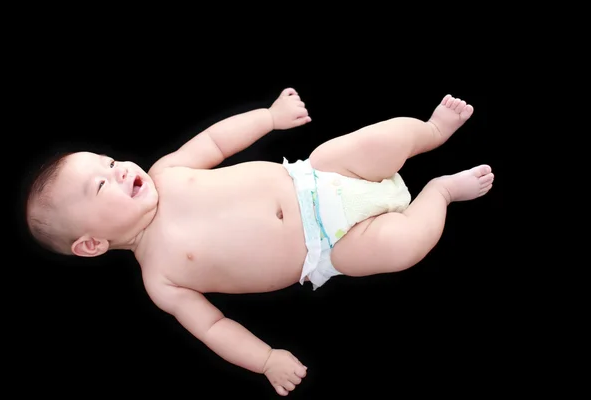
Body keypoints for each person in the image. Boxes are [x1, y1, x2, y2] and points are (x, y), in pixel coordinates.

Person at [25, 88, 494, 396]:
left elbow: (214, 142)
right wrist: (265, 359)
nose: (120, 169)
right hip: (329, 247)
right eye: (102, 186)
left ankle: (430, 132)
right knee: (403, 248)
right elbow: (212, 327)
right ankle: (441, 192)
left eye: (109, 162)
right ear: (91, 244)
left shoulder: (167, 171)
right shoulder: (161, 278)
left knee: (378, 140)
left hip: (319, 175)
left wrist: (269, 118)